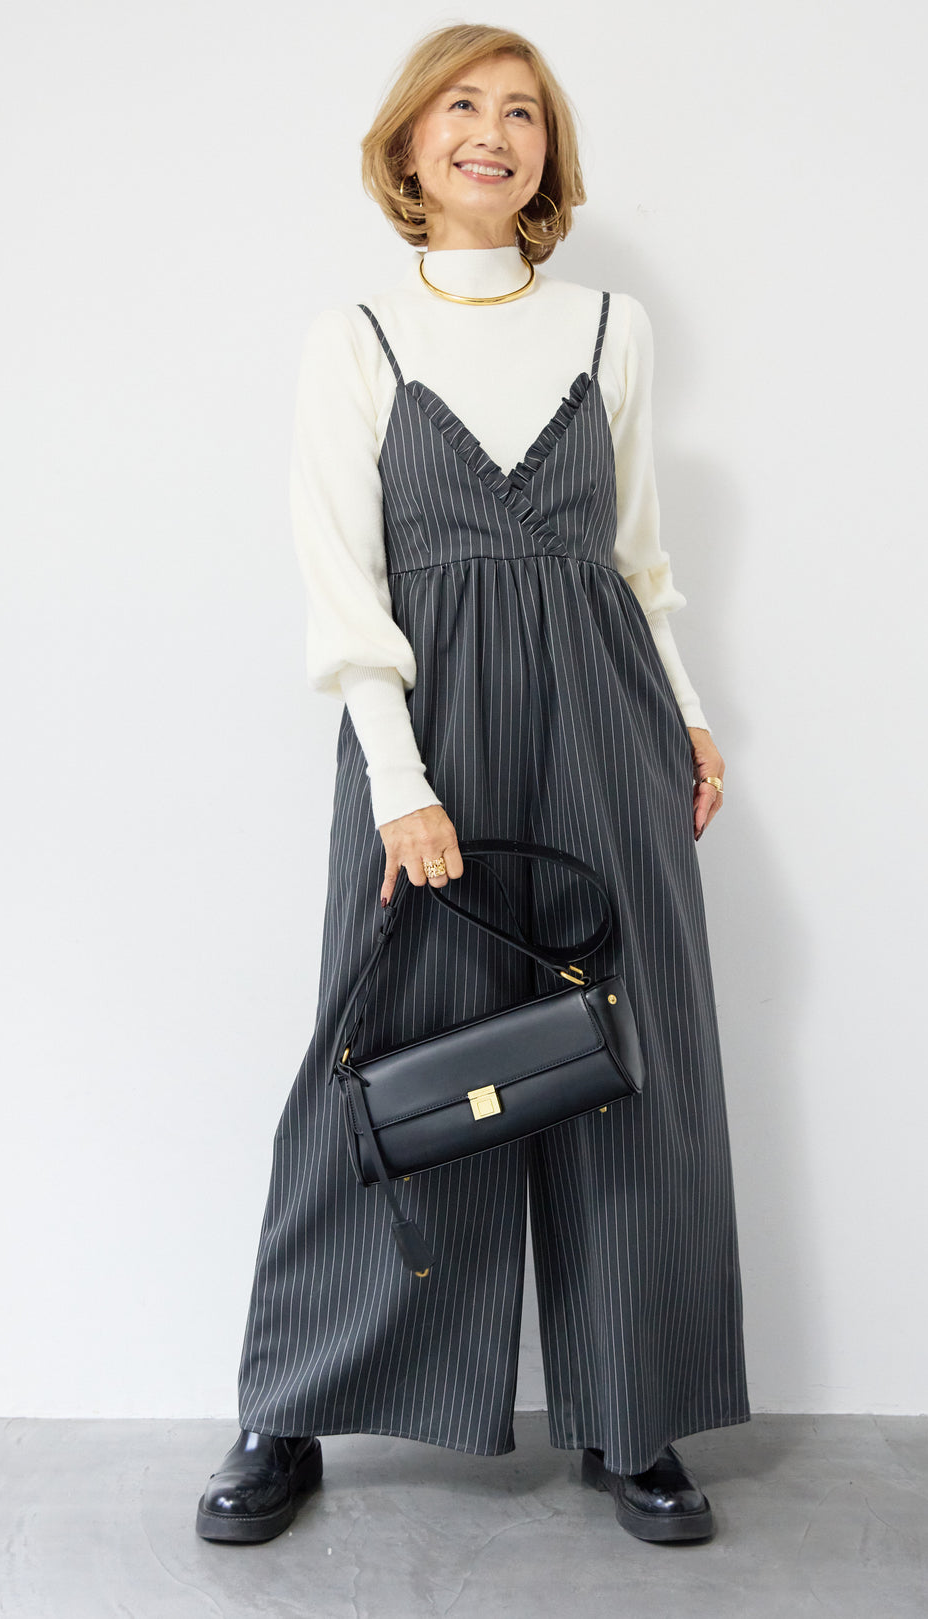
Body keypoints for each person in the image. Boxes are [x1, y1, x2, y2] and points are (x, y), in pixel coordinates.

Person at [196, 22, 750, 1548]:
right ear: (410, 144)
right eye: (462, 106)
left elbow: (640, 562)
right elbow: (342, 582)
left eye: (523, 112)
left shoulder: (611, 329)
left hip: (607, 722)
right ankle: (289, 1405)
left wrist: (691, 721)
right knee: (380, 1052)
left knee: (624, 1054)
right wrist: (397, 780)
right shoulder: (356, 338)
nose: (492, 132)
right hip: (426, 738)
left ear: (548, 155)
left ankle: (630, 1411)